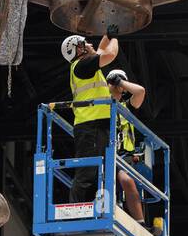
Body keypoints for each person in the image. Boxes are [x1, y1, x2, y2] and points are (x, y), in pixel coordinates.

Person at [62, 27, 119, 204]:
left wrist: (107, 35)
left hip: (95, 124)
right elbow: (109, 55)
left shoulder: (84, 66)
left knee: (99, 171)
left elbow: (101, 50)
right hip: (90, 125)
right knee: (86, 172)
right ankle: (74, 209)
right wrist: (115, 38)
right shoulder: (82, 65)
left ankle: (98, 207)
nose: (89, 44)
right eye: (84, 43)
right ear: (78, 50)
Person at [107, 69, 148, 222]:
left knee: (127, 181)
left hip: (125, 156)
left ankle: (140, 222)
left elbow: (140, 91)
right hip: (106, 154)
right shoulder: (101, 105)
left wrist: (120, 81)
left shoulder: (126, 107)